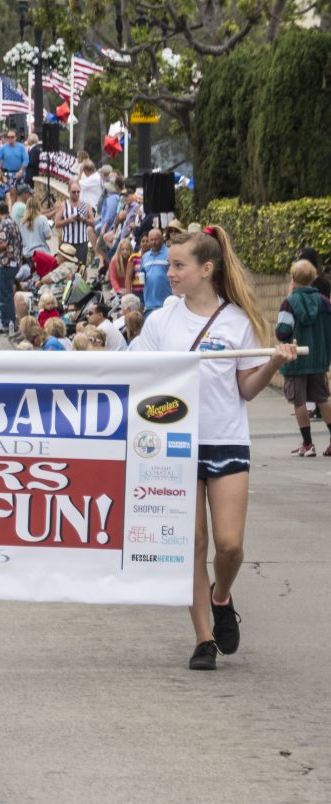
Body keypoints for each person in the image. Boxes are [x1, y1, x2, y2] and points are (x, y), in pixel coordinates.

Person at [129, 224, 298, 670]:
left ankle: (220, 596)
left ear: (207, 269)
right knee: (194, 545)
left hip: (225, 439)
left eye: (179, 265)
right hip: (173, 445)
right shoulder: (161, 319)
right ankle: (204, 639)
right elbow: (130, 370)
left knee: (229, 546)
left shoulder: (237, 321)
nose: (171, 273)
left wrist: (273, 363)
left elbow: (246, 388)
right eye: (169, 265)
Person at [275, 260, 331, 456]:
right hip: (319, 360)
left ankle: (307, 445)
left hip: (295, 359)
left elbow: (283, 332)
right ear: (313, 277)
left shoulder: (289, 303)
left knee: (299, 402)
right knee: (323, 399)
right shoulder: (325, 302)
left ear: (293, 278)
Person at [0, 201, 23, 329]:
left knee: (3, 294)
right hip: (15, 263)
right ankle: (10, 322)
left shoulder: (4, 224)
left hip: (5, 263)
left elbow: (2, 244)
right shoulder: (13, 223)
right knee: (8, 293)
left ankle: (6, 322)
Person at [54, 183, 94, 265]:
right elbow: (57, 223)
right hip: (68, 242)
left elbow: (92, 222)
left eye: (78, 192)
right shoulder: (63, 205)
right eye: (74, 192)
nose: (76, 194)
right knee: (66, 268)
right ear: (69, 191)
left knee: (80, 268)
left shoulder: (86, 205)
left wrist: (84, 219)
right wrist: (69, 220)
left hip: (82, 243)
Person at [140, 228, 172, 315]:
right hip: (149, 304)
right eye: (151, 240)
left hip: (167, 303)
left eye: (156, 239)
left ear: (162, 239)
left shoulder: (170, 253)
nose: (153, 242)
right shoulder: (145, 257)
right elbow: (141, 274)